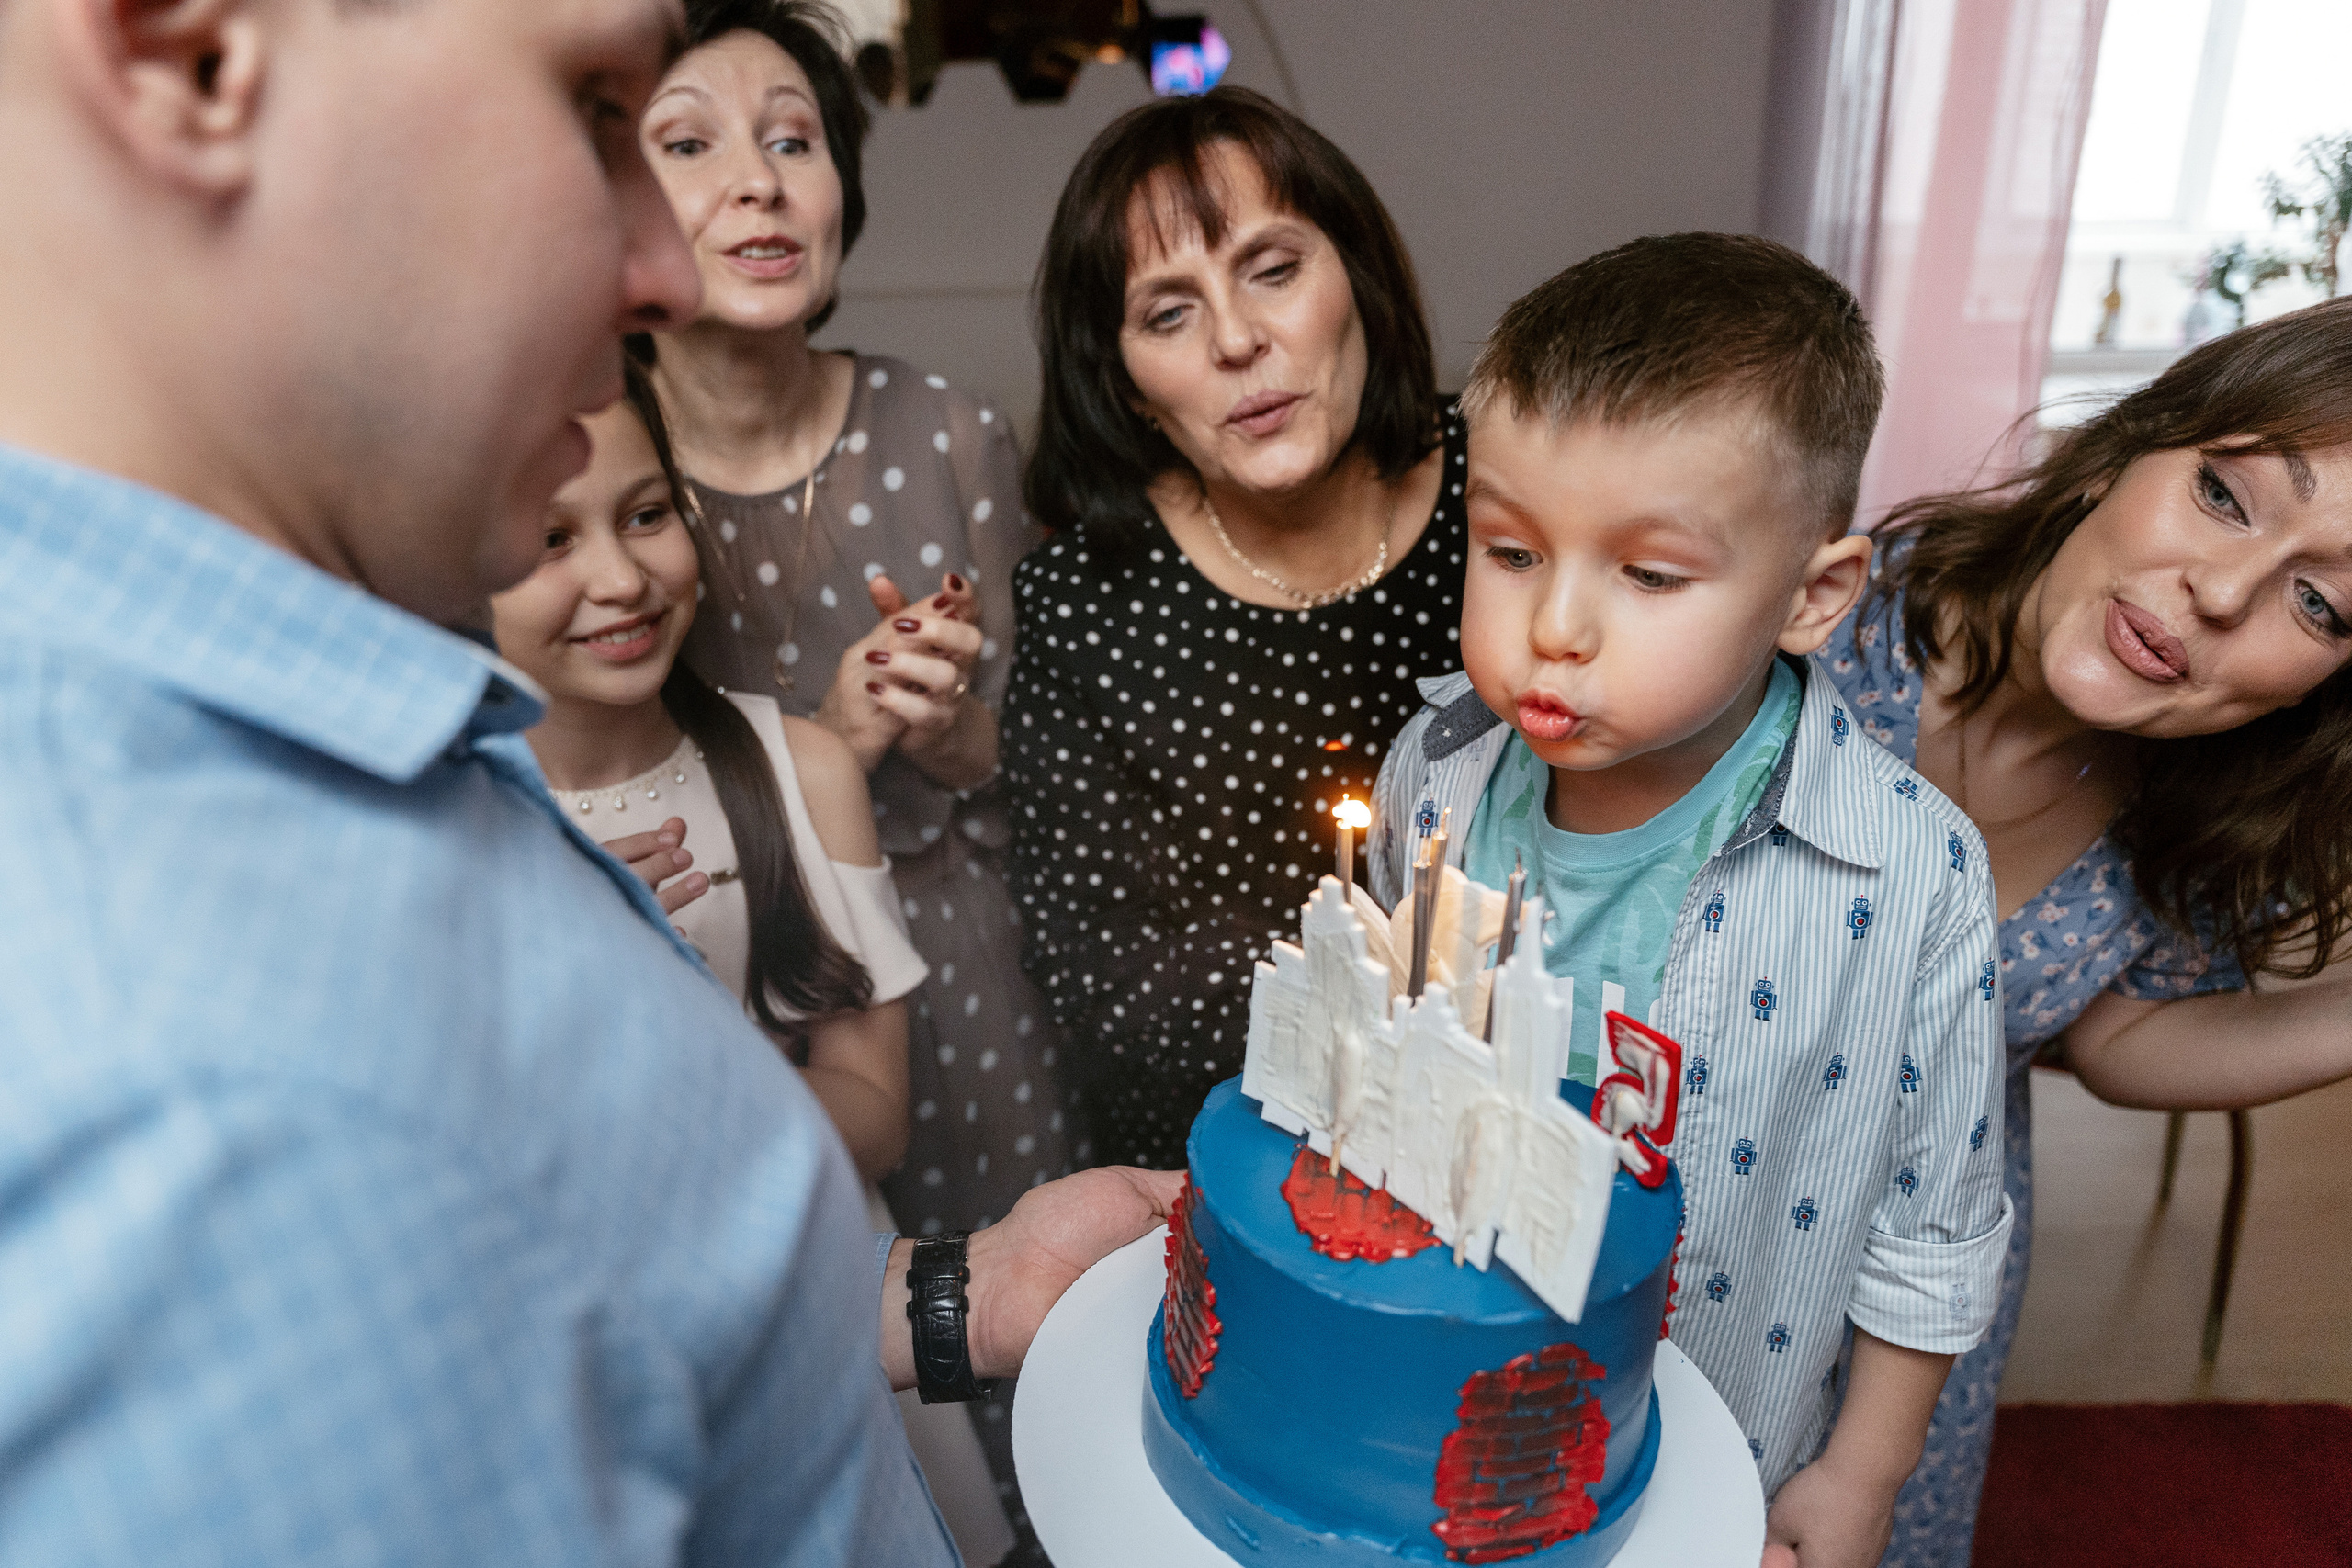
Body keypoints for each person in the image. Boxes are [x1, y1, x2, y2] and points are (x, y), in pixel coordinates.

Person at [0, 0, 1174, 1560]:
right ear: (192, 56)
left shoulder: (361, 729)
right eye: (599, 108)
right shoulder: (207, 1119)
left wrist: (958, 1293)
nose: (664, 266)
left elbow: (621, 1291)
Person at [1368, 235, 2010, 1568]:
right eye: (1511, 550)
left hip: (1724, 1446)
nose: (1557, 627)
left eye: (1648, 575)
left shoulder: (1912, 876)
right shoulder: (1428, 776)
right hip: (1441, 1416)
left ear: (1813, 595)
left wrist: (1865, 1473)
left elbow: (1933, 1225)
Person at [1822, 293, 2352, 1568]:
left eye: (2324, 606)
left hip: (1914, 1299)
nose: (2220, 593)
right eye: (2226, 495)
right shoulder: (1818, 621)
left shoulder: (2187, 823)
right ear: (2126, 450)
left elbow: (2113, 1036)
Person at [636, 0, 1073, 1252]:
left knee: (1012, 1327)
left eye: (793, 141)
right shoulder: (595, 469)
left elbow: (1043, 768)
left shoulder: (946, 431)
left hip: (970, 964)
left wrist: (947, 733)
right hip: (744, 981)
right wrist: (822, 738)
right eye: (689, 145)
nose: (757, 187)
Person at [1005, 86, 1464, 1170]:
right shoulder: (1082, 605)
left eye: (1273, 268)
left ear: (1356, 275)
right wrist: (1408, 978)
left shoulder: (1518, 499)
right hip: (1238, 1162)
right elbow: (1102, 986)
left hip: (1522, 1120)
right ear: (1124, 387)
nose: (1239, 340)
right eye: (1169, 313)